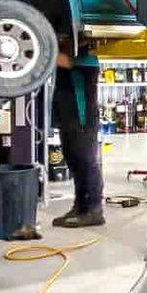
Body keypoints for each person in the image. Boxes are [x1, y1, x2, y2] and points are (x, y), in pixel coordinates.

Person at [51, 38, 104, 229]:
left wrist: (44, 49)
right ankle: (80, 206)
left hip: (82, 119)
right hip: (69, 119)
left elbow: (64, 61)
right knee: (74, 161)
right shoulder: (70, 57)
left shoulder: (86, 60)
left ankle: (94, 210)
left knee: (85, 160)